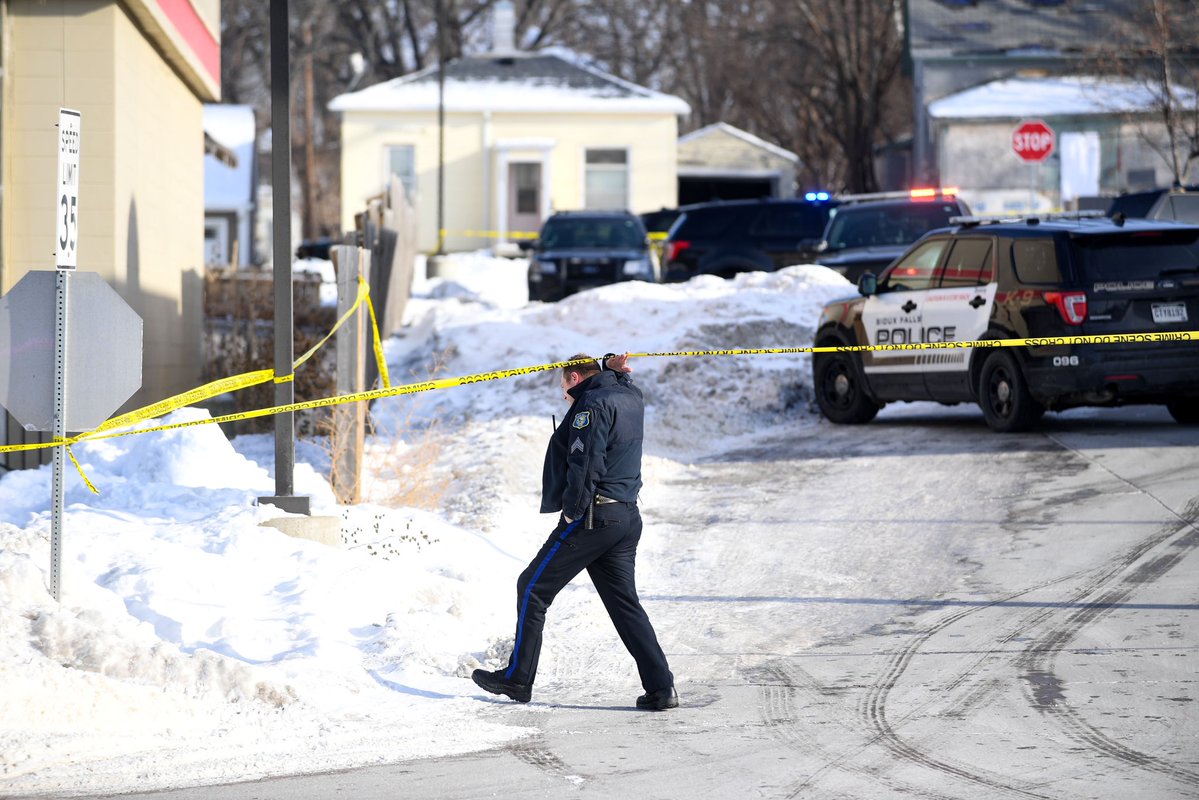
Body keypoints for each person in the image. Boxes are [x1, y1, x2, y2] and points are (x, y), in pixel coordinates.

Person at [472, 352, 678, 710]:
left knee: (532, 587)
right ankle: (661, 689)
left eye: (564, 387)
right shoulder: (630, 396)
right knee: (624, 604)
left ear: (574, 379)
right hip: (626, 517)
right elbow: (624, 388)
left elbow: (586, 462)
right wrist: (615, 373)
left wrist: (572, 512)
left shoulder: (591, 406)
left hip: (593, 518)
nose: (564, 396)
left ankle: (518, 679)